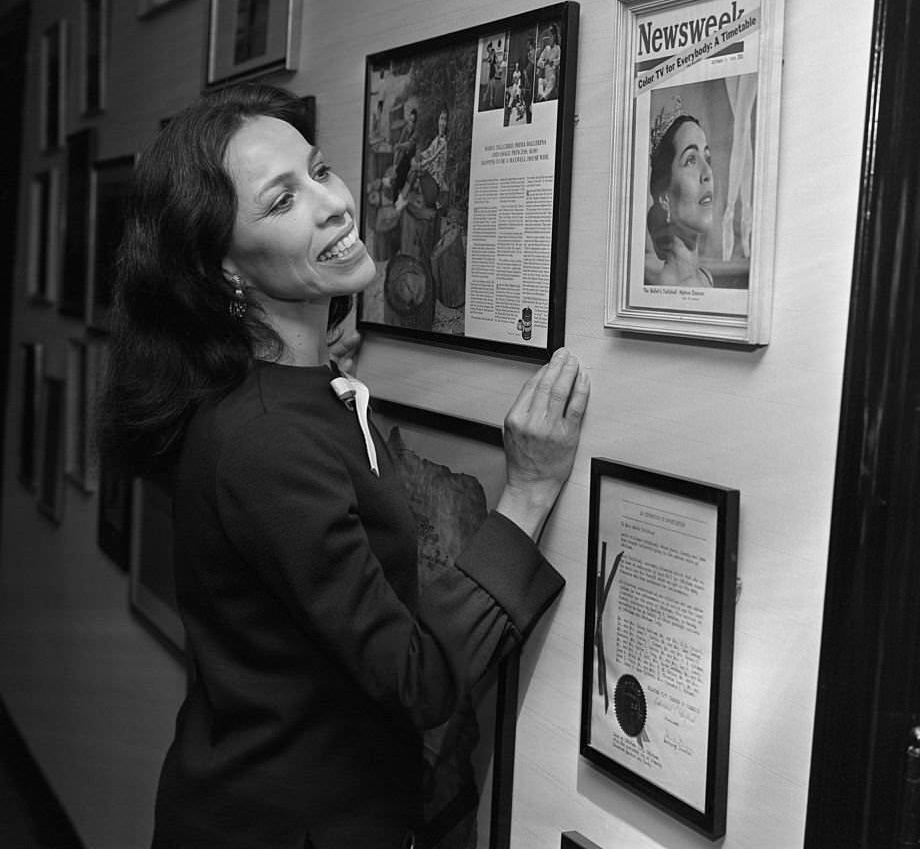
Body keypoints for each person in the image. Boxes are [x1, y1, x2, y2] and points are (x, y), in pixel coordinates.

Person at [99, 83, 590, 848]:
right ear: (225, 270)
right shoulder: (264, 437)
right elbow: (416, 679)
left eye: (320, 170)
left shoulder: (278, 397)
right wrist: (526, 493)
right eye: (281, 201)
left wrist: (318, 369)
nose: (333, 202)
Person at [645, 113, 715, 287]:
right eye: (691, 159)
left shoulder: (706, 278)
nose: (708, 173)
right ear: (665, 199)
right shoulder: (665, 287)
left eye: (707, 159)